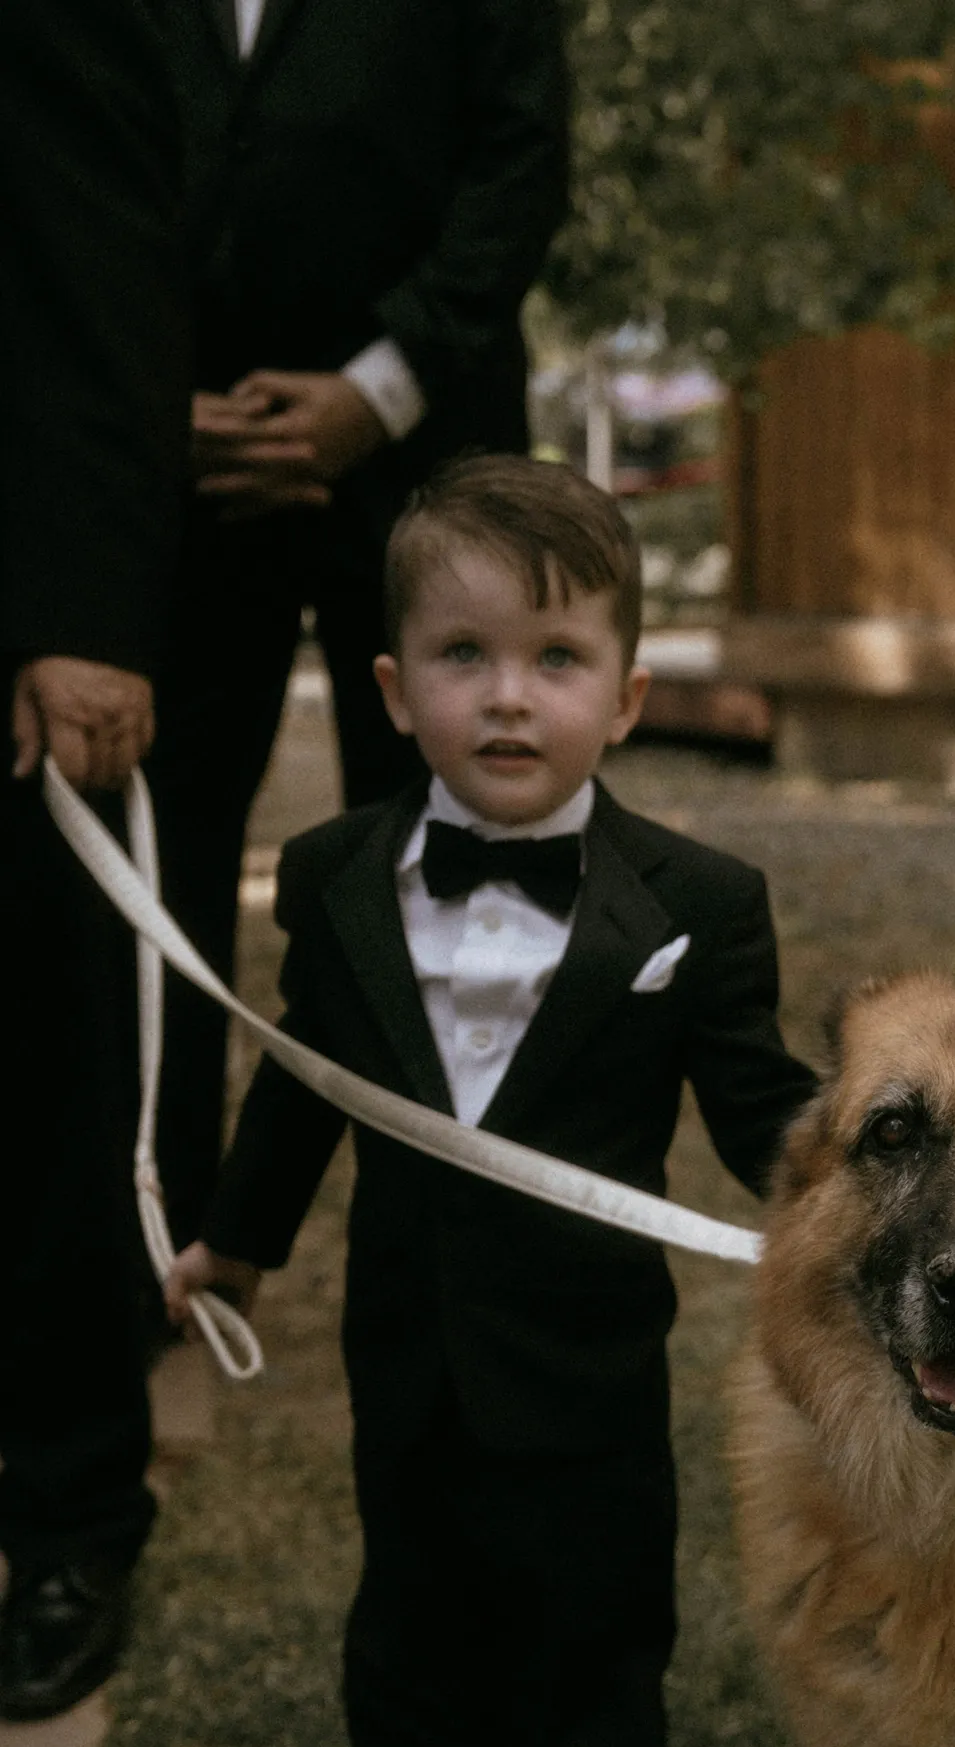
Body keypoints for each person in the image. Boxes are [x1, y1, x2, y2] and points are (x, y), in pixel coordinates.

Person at [165, 459, 817, 1747]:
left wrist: (872, 1196)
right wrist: (237, 1243)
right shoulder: (334, 875)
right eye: (465, 656)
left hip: (588, 1367)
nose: (510, 697)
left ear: (627, 696)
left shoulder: (700, 902)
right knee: (412, 1629)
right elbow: (303, 1078)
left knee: (596, 1640)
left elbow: (760, 1113)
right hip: (409, 1351)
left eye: (556, 658)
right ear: (396, 690)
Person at [150, 0, 571, 1250]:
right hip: (172, 487)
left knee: (449, 869)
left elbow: (521, 161)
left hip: (426, 476)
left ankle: (450, 1244)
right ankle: (152, 1250)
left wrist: (374, 393)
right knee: (158, 865)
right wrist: (150, 401)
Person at [0, 0, 190, 1721]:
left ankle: (65, 1521)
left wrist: (77, 614)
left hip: (18, 662)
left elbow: (92, 284)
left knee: (44, 1093)